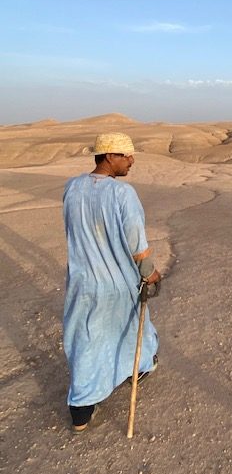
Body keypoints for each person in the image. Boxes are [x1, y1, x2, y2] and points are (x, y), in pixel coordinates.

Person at [63, 132, 161, 433]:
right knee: (129, 326)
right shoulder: (122, 194)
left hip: (82, 282)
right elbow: (136, 242)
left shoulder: (72, 187)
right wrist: (150, 272)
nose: (131, 161)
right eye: (125, 155)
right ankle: (137, 369)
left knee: (86, 338)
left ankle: (81, 409)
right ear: (108, 156)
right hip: (117, 283)